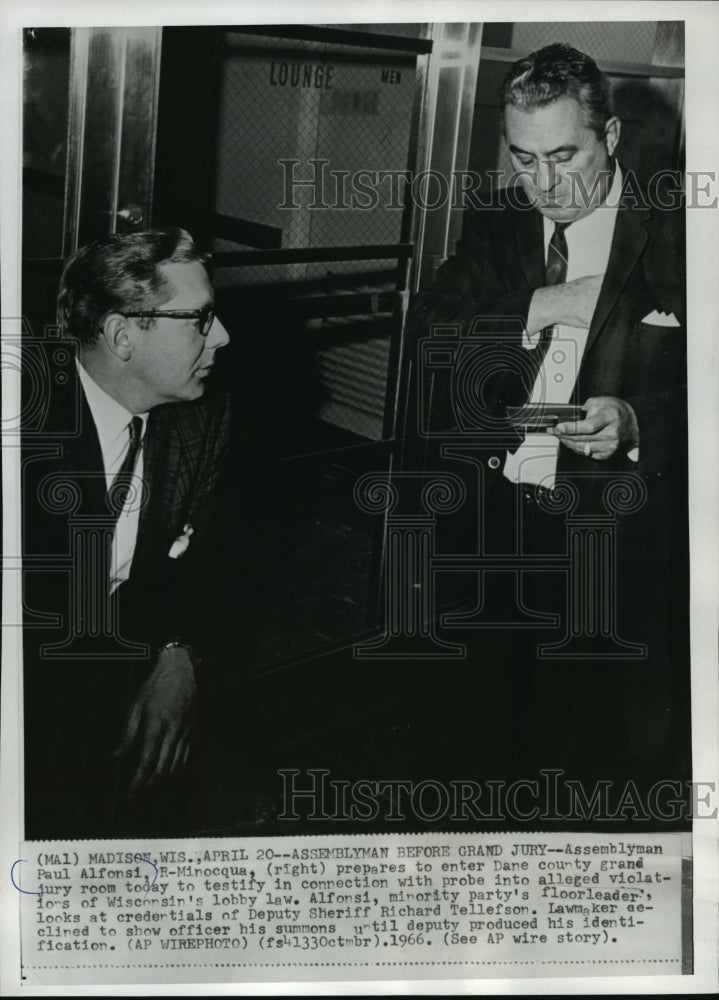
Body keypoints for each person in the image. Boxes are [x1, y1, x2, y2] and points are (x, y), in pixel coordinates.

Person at [407, 43, 689, 815]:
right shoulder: (498, 223)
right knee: (487, 748)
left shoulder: (681, 234)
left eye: (563, 154)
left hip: (618, 542)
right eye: (523, 158)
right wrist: (551, 304)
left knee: (598, 763)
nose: (544, 182)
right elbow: (432, 332)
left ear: (613, 137)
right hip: (498, 529)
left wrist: (635, 419)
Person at [22, 227, 231, 837]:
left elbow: (198, 562)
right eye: (201, 319)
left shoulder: (204, 413)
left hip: (113, 661)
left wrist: (178, 654)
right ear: (121, 335)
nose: (222, 336)